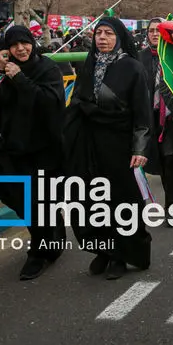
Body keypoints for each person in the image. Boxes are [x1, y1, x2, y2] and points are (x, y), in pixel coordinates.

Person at [0, 25, 67, 280]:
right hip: (8, 150)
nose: (20, 49)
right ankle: (50, 232)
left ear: (32, 43)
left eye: (24, 43)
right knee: (20, 199)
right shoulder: (3, 71)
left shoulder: (46, 68)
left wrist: (20, 79)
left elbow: (49, 104)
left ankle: (39, 252)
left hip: (41, 150)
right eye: (14, 45)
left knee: (37, 203)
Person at [64, 17, 153, 279]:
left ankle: (122, 255)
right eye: (98, 33)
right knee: (91, 199)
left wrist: (140, 149)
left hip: (120, 143)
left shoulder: (132, 68)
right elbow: (78, 99)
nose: (102, 38)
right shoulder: (88, 64)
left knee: (121, 200)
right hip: (89, 142)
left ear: (119, 37)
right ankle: (102, 249)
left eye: (108, 33)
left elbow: (142, 113)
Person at [138, 17, 173, 211]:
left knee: (171, 162)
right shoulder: (140, 57)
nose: (155, 34)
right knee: (154, 163)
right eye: (151, 31)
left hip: (171, 119)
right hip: (149, 118)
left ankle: (172, 206)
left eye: (159, 30)